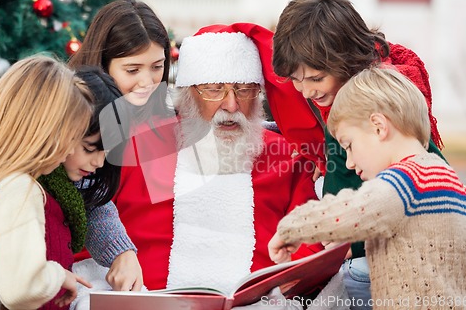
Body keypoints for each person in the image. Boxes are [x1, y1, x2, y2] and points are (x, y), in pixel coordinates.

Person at [71, 23, 326, 310]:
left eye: (244, 90)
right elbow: (86, 226)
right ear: (189, 93)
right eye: (214, 90)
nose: (231, 105)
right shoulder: (139, 146)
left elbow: (314, 242)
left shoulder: (288, 156)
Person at [269, 0, 446, 308]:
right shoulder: (376, 88)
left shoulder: (365, 107)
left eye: (316, 78)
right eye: (297, 80)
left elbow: (398, 196)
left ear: (345, 60)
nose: (307, 91)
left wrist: (340, 242)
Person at [268, 66, 466, 310]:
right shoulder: (450, 181)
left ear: (378, 127)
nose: (351, 163)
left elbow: (351, 210)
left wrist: (290, 229)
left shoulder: (403, 181)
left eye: (349, 146)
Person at [68, 0, 174, 293]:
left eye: (157, 66)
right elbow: (87, 198)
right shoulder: (78, 113)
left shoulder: (150, 109)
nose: (148, 81)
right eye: (132, 70)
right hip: (78, 271)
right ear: (102, 65)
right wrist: (121, 251)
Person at [0, 55, 93, 309]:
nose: (71, 151)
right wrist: (59, 274)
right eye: (72, 137)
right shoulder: (19, 190)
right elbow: (22, 288)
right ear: (46, 131)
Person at [37, 67, 141, 310]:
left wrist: (123, 252)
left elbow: (96, 207)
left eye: (107, 151)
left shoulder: (77, 180)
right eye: (90, 148)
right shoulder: (25, 184)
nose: (99, 162)